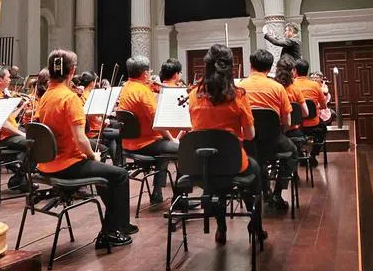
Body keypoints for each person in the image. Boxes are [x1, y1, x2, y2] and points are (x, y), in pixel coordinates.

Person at [35, 49, 135, 249]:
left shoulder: (46, 96)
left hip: (47, 164)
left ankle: (118, 223)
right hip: (67, 165)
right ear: (72, 71)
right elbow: (80, 139)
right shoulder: (69, 98)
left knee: (106, 174)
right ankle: (111, 232)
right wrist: (92, 155)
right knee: (121, 175)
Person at [187, 43, 262, 244]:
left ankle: (221, 228)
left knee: (215, 181)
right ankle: (255, 222)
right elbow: (250, 135)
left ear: (206, 66)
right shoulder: (239, 96)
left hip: (201, 166)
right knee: (255, 169)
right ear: (230, 67)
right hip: (232, 164)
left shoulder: (193, 95)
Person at [239, 48, 297, 210]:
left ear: (251, 65)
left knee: (258, 157)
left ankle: (264, 191)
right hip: (273, 140)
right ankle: (278, 192)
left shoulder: (239, 87)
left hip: (248, 143)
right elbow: (287, 121)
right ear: (270, 68)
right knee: (293, 152)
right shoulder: (277, 88)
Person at [117, 55, 177, 205]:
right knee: (183, 148)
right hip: (145, 143)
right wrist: (173, 139)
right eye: (149, 72)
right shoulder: (143, 92)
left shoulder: (126, 88)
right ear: (144, 73)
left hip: (128, 144)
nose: (150, 74)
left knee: (164, 151)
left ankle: (157, 192)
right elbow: (158, 123)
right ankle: (180, 198)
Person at [0, 66, 29, 191]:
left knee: (35, 138)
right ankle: (19, 177)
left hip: (8, 135)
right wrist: (21, 134)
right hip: (0, 139)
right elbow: (3, 124)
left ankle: (19, 176)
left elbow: (9, 118)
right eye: (8, 77)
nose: (10, 79)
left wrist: (22, 106)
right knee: (35, 143)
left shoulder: (0, 94)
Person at [290, 58, 327, 164]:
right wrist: (316, 107)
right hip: (313, 124)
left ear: (295, 71)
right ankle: (313, 155)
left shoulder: (291, 85)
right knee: (323, 129)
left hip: (296, 125)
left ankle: (300, 155)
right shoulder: (315, 85)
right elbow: (324, 106)